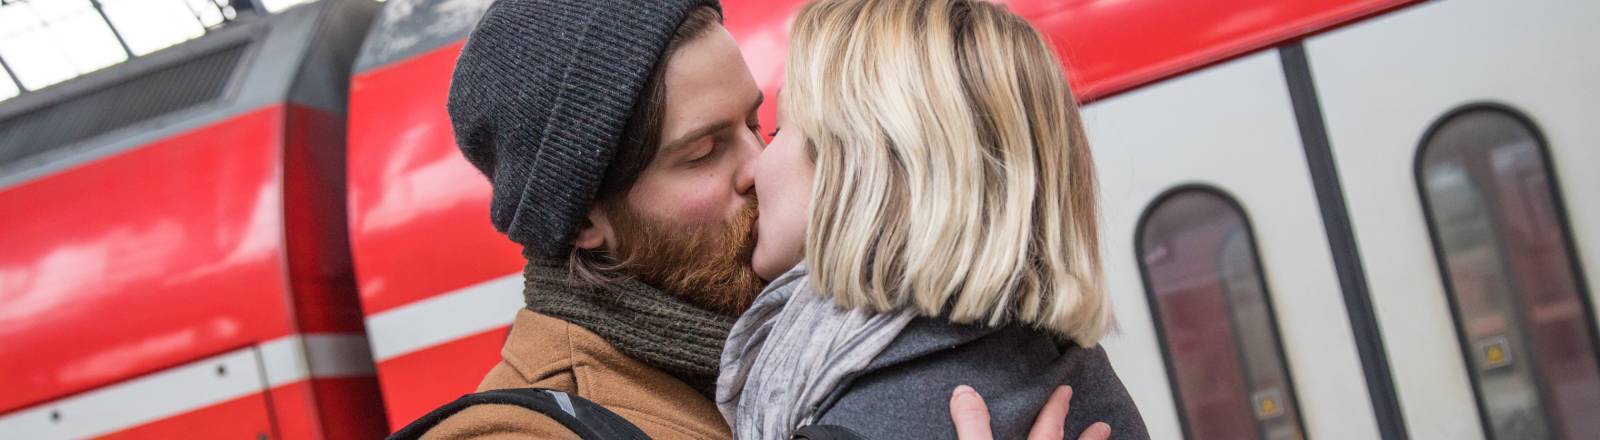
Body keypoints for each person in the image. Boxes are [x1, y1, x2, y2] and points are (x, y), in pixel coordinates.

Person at [415, 0, 1100, 438]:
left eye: (758, 124)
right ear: (588, 218)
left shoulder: (825, 348)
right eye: (704, 152)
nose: (760, 167)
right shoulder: (532, 434)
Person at [717, 0, 1150, 439]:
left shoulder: (858, 419)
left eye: (775, 131)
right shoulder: (1073, 371)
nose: (754, 170)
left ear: (855, 172)